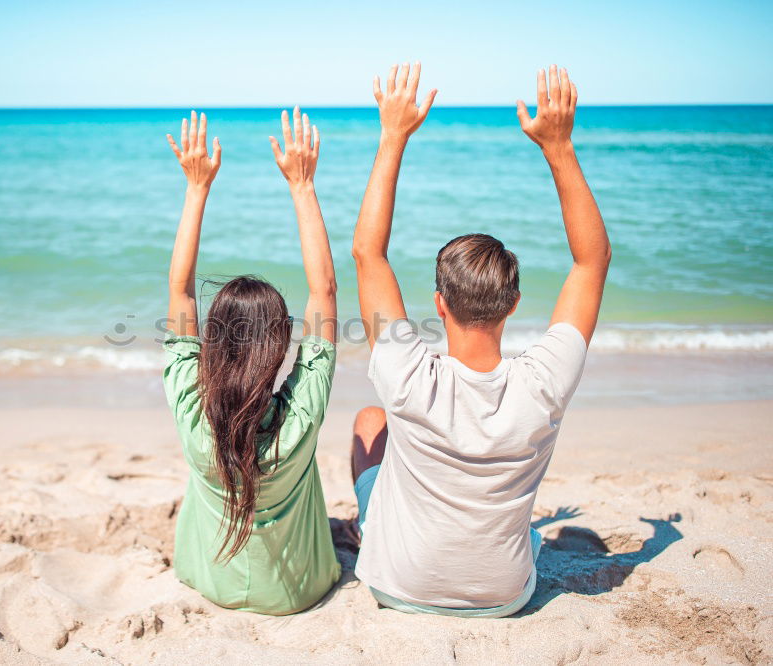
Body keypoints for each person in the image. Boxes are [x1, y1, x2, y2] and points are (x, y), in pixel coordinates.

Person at [350, 63, 611, 617]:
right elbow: (592, 262)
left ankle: (371, 528)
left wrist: (393, 135)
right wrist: (559, 148)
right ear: (513, 305)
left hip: (394, 587)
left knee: (371, 423)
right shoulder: (542, 383)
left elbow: (368, 254)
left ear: (439, 304)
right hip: (504, 598)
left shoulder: (409, 378)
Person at [161, 107, 341, 615]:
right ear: (281, 347)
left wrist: (196, 189)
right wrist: (302, 186)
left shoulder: (193, 415)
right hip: (298, 594)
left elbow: (180, 292)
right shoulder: (298, 419)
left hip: (207, 582)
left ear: (211, 343)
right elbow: (323, 292)